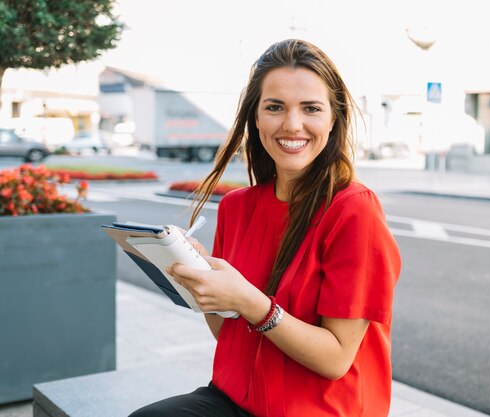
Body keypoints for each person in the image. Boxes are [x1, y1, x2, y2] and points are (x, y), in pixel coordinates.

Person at [129, 39, 401, 417]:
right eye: (275, 107)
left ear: (333, 118)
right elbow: (228, 335)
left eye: (311, 108)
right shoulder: (237, 207)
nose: (292, 124)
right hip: (235, 398)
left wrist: (249, 301)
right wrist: (202, 285)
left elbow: (336, 358)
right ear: (255, 117)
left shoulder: (354, 210)